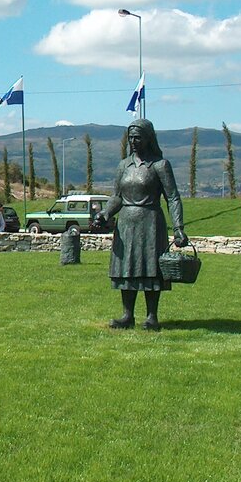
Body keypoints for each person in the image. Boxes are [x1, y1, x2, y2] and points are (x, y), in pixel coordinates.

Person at [95, 118, 189, 331]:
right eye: (131, 138)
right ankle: (127, 315)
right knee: (127, 269)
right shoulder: (123, 165)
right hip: (126, 223)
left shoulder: (159, 165)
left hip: (150, 223)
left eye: (138, 137)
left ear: (148, 138)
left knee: (150, 268)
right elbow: (117, 197)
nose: (134, 141)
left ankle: (151, 317)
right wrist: (106, 213)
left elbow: (173, 197)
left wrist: (178, 228)